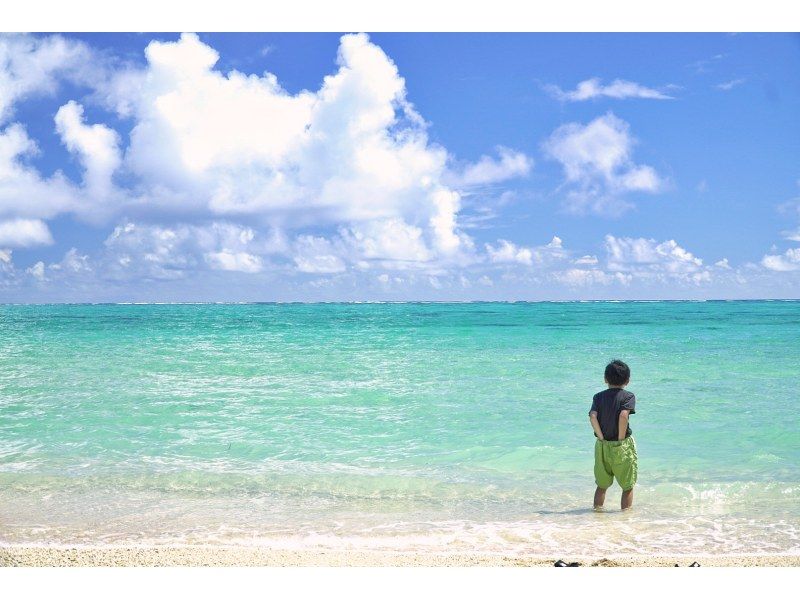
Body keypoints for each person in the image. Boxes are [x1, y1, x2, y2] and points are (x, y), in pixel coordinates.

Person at [588, 360, 637, 510]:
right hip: (621, 445)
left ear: (605, 379)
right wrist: (621, 439)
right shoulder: (628, 396)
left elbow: (592, 416)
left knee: (602, 485)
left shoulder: (598, 397)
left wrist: (601, 437)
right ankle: (625, 518)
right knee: (627, 486)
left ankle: (596, 513)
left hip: (602, 445)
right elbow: (623, 416)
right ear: (627, 381)